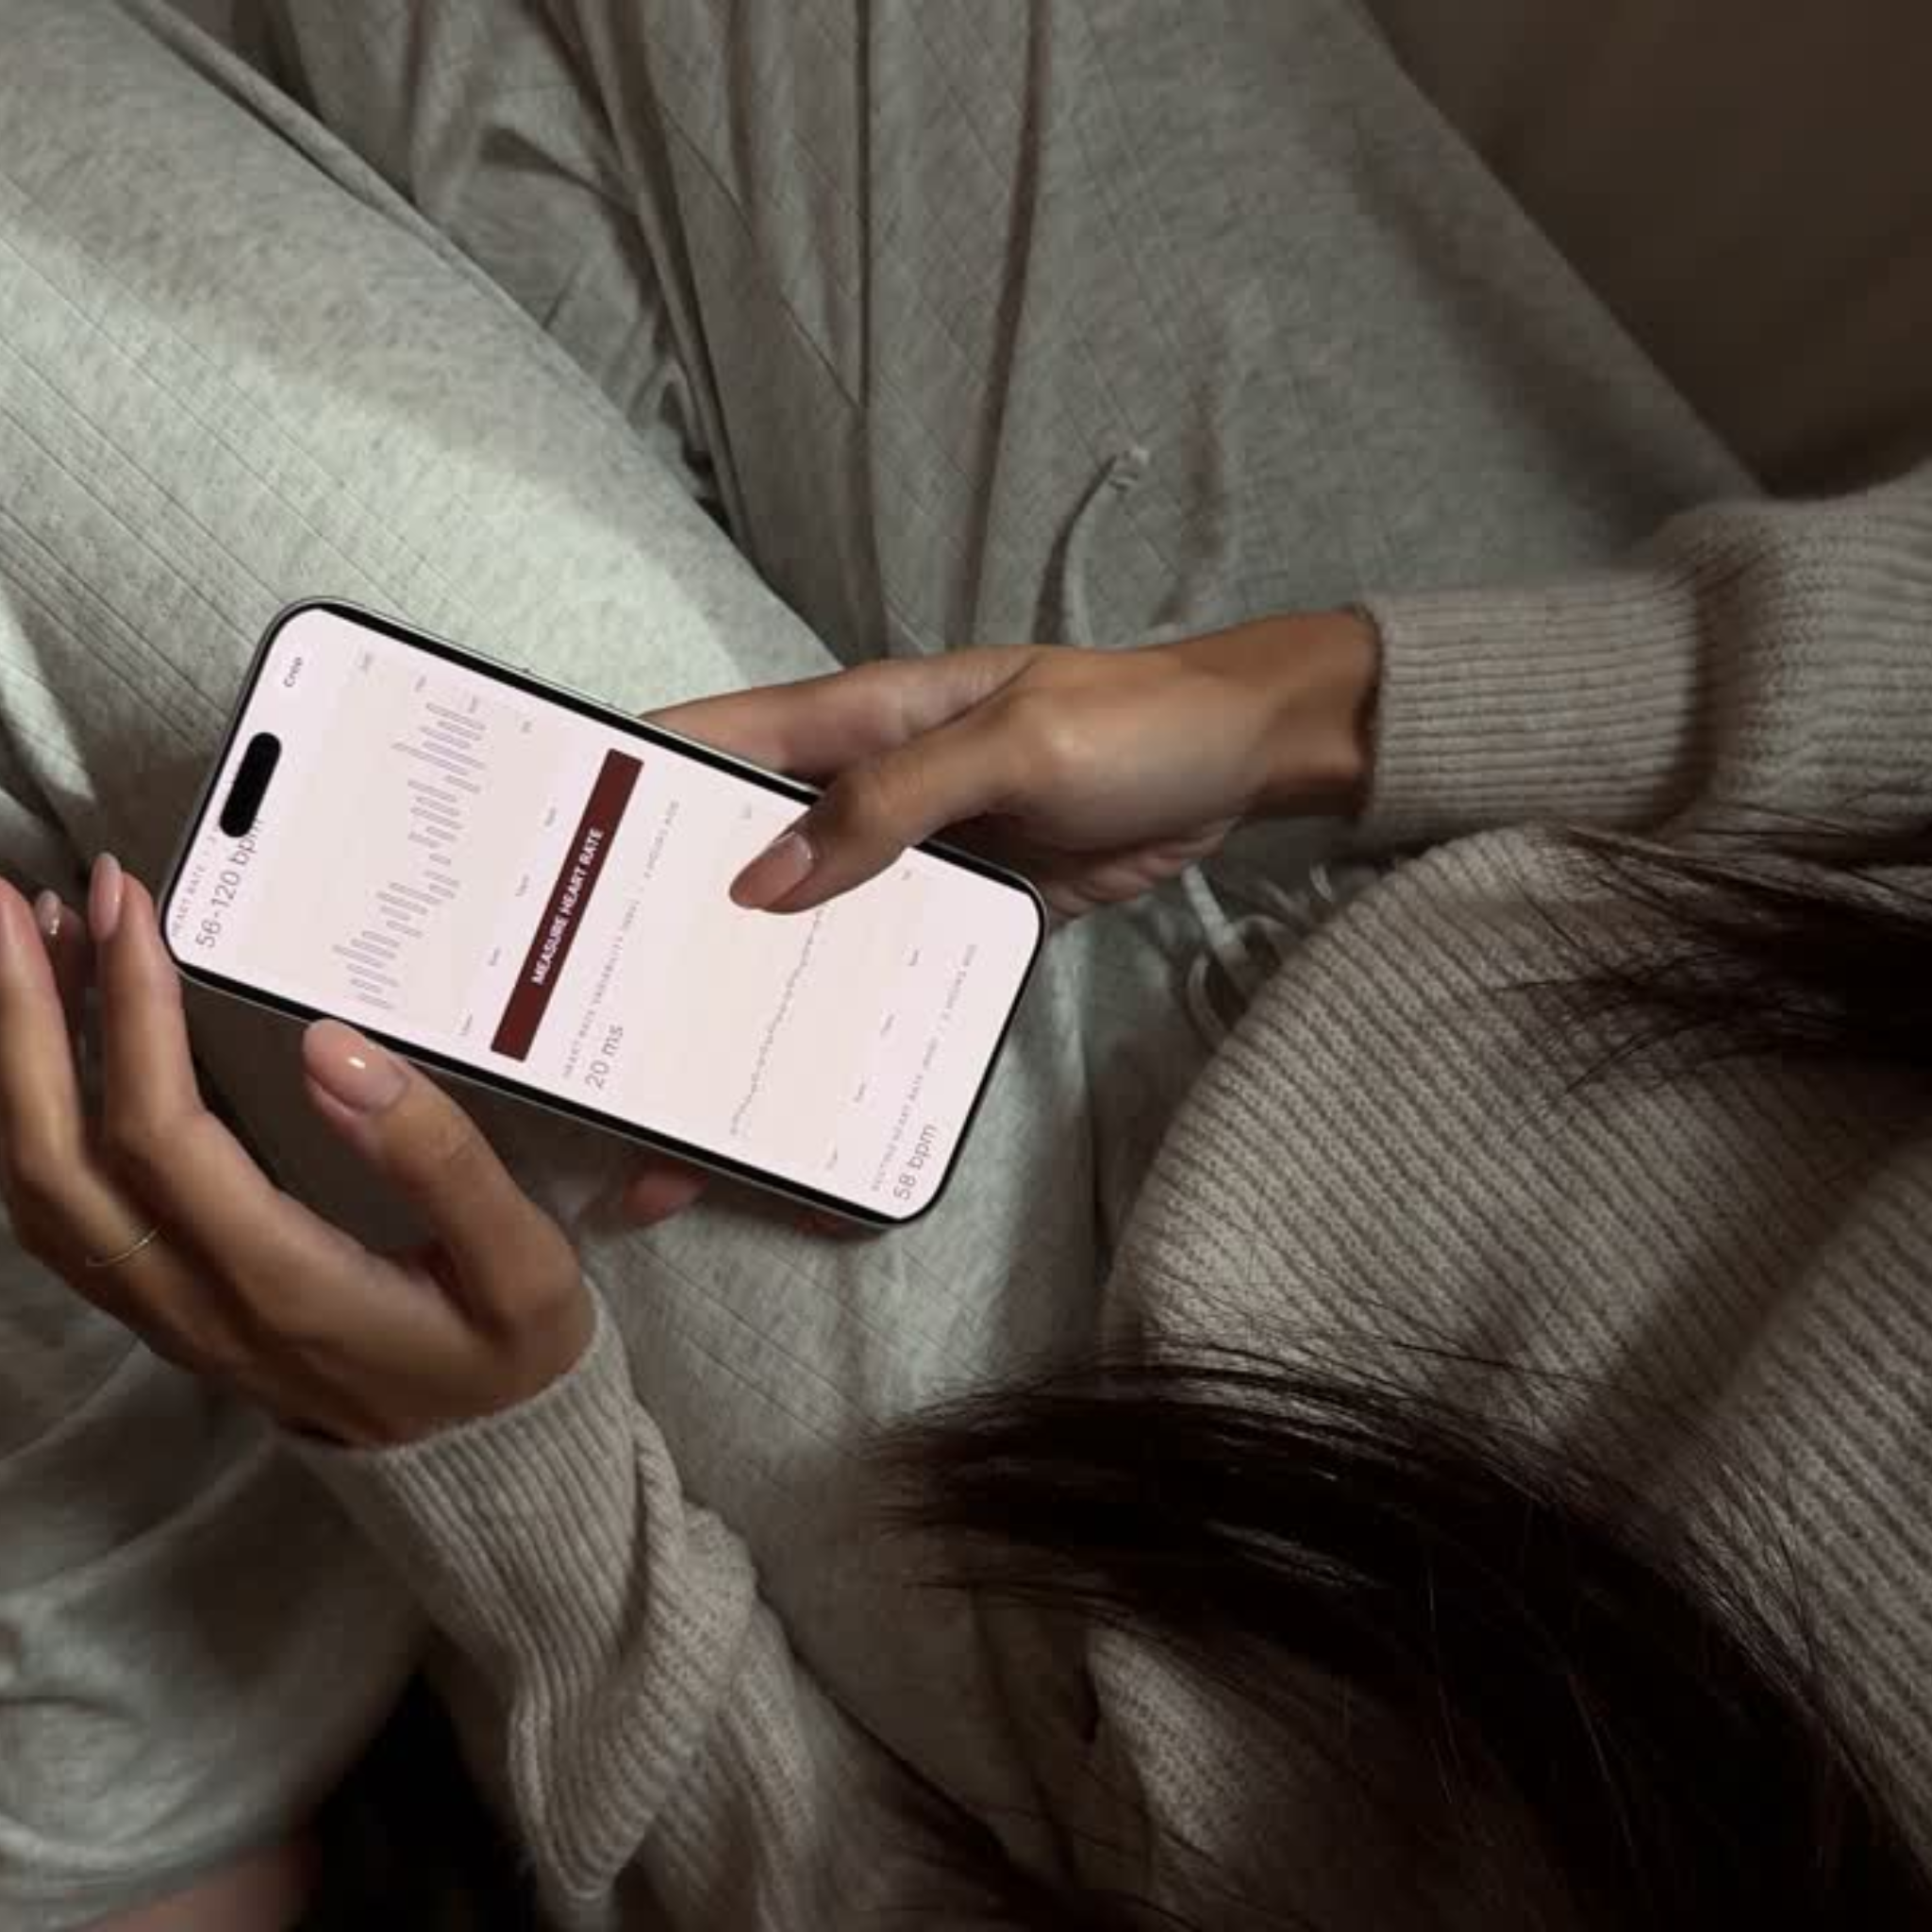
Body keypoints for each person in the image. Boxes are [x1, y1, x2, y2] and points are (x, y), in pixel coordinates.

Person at [1, 1, 1929, 1928]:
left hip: (1100, 1496)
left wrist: (518, 1496)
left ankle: (155, 1760)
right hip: (1636, 856)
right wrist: (1303, 705)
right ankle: (180, 1653)